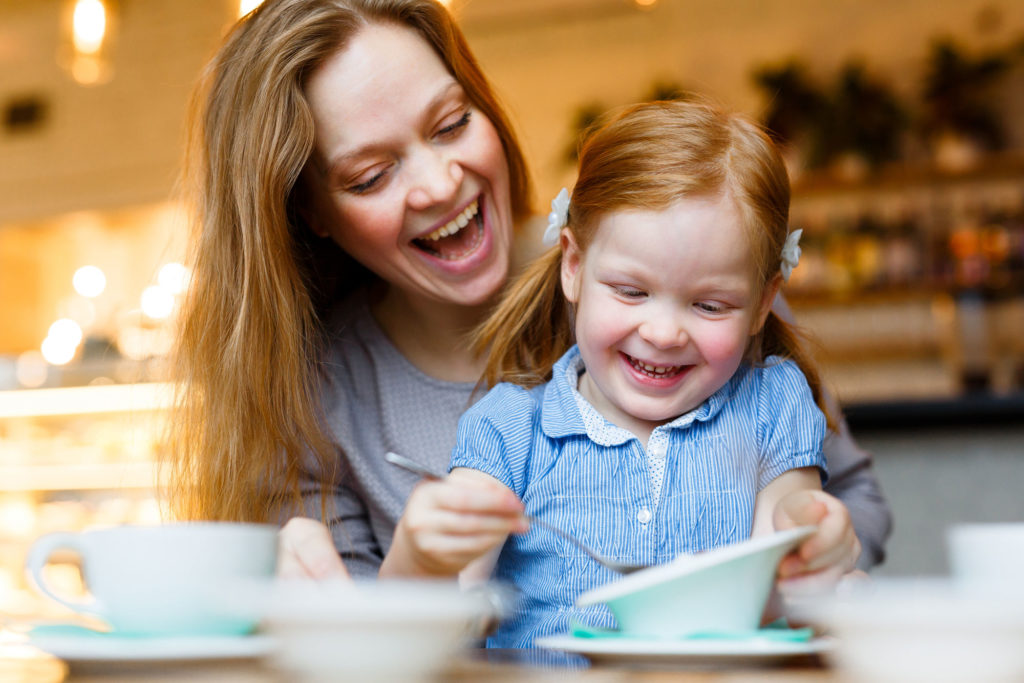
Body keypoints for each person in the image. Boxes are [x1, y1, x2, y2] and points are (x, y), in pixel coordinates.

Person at [165, 0, 890, 581]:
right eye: (370, 175)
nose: (441, 183)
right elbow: (372, 641)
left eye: (451, 124)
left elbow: (852, 500)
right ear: (308, 212)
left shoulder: (683, 272)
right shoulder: (316, 396)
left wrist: (824, 543)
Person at [380, 100, 861, 647]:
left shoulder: (774, 405)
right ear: (574, 266)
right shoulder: (508, 430)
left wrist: (814, 539)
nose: (663, 333)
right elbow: (430, 631)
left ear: (762, 303)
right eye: (631, 292)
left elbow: (785, 571)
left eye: (709, 306)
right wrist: (419, 560)